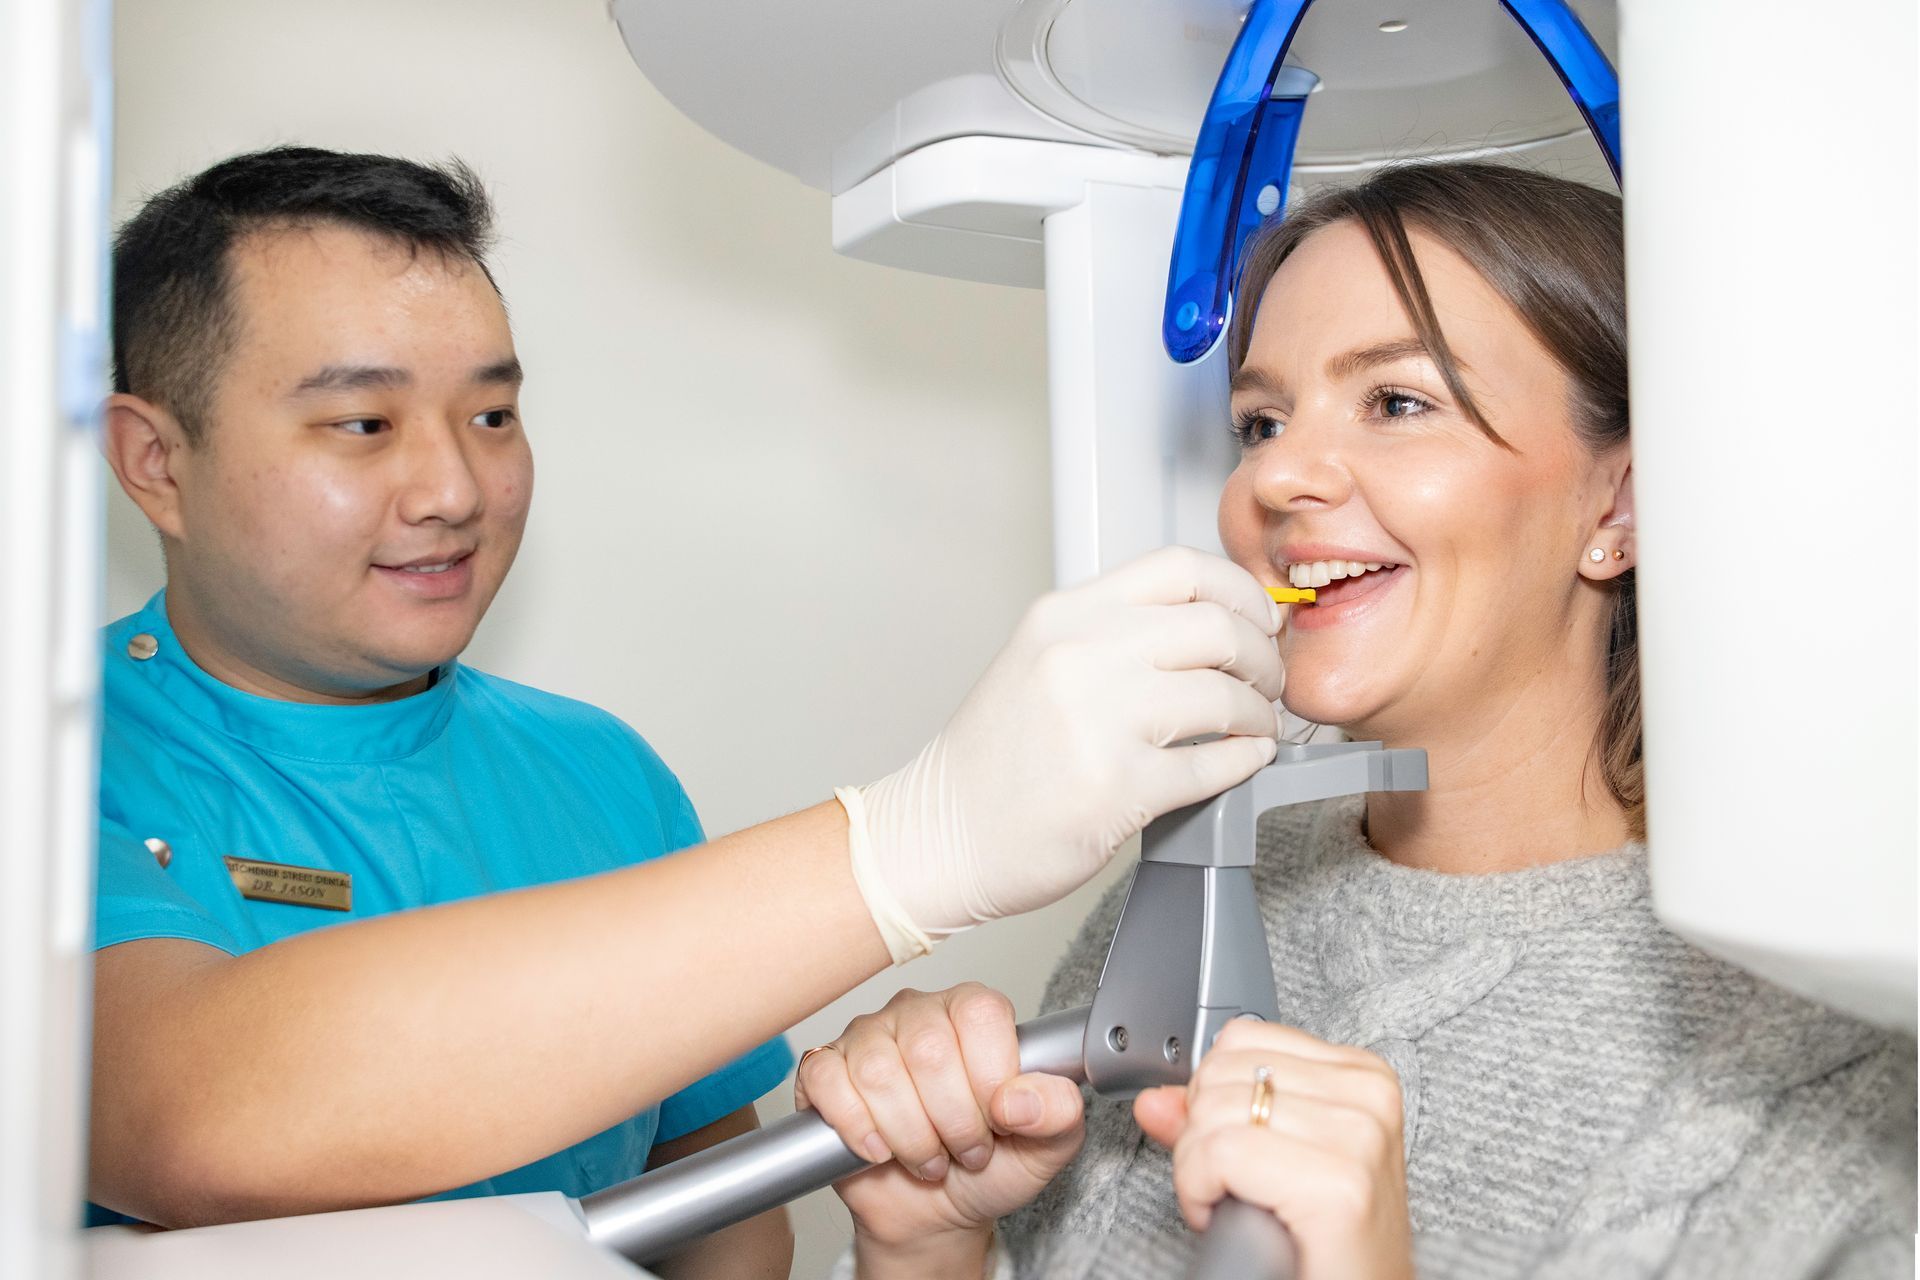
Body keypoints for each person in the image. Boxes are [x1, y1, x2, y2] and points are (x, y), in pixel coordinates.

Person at [88, 145, 1292, 1268]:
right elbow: (194, 1113)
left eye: (492, 415)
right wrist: (910, 845)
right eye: (363, 423)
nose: (454, 486)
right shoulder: (56, 763)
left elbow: (726, 1233)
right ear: (156, 460)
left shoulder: (596, 772)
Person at [796, 162, 1918, 1279]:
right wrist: (928, 1244)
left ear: (1617, 507)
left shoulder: (1819, 1046)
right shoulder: (1206, 883)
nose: (1277, 476)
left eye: (1395, 401)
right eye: (1261, 420)